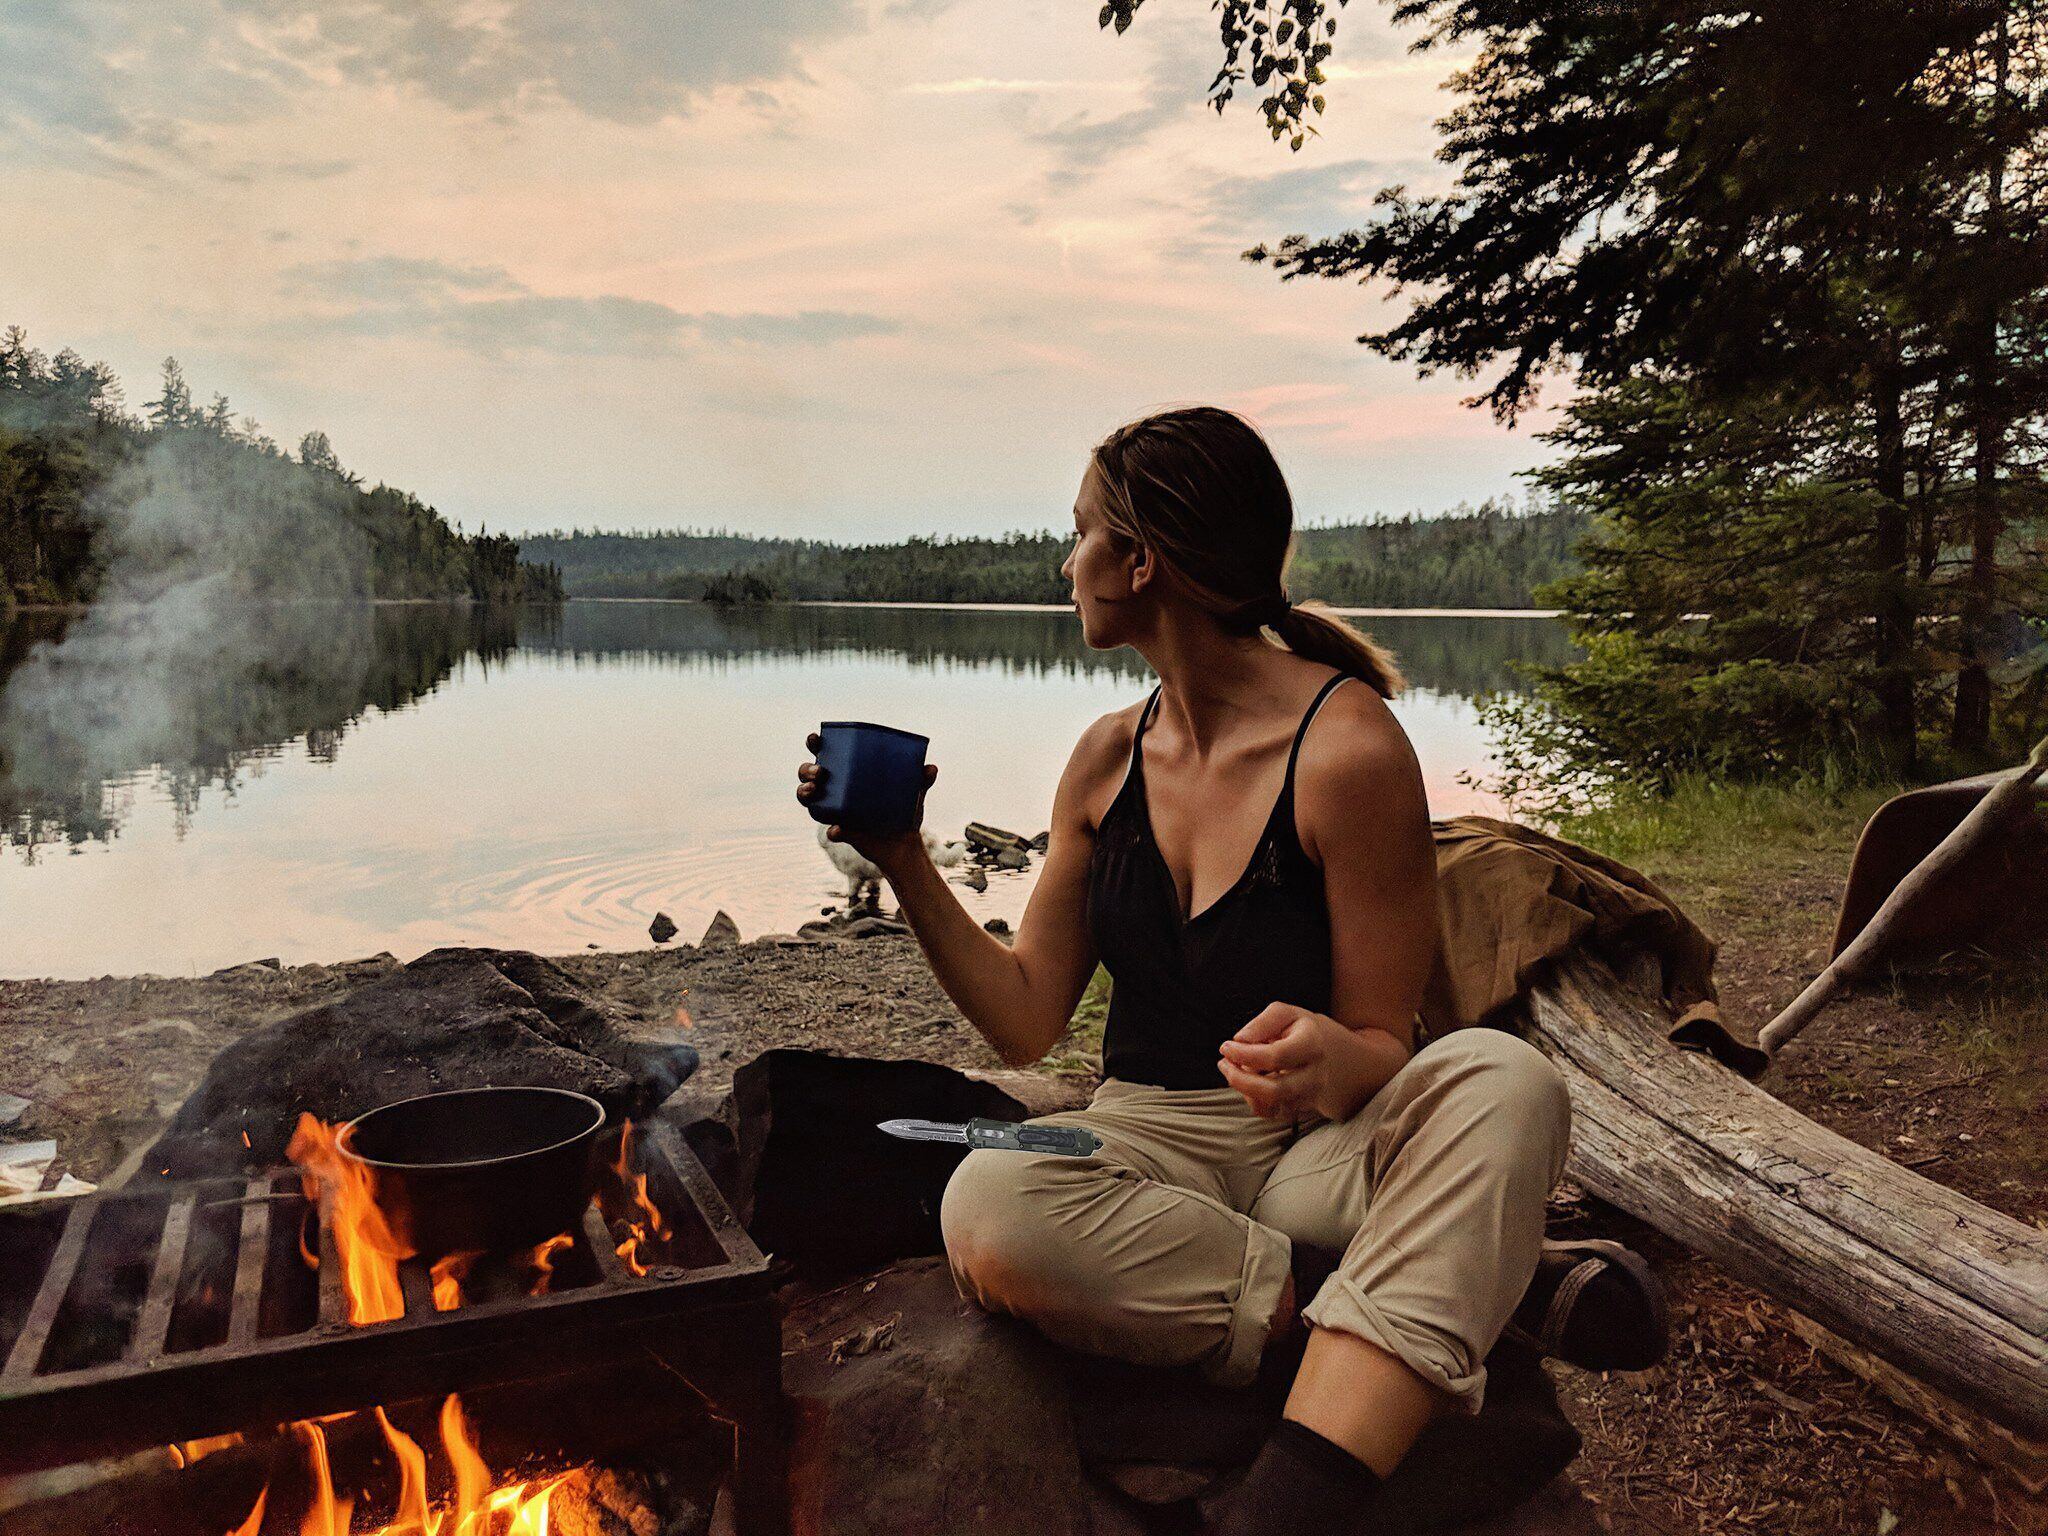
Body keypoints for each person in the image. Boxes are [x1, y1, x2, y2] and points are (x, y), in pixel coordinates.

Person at [796, 406, 1659, 1536]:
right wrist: (903, 860)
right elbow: (1022, 1022)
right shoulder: (1105, 759)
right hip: (1138, 1137)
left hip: (1313, 1152)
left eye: (1079, 537)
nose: (1066, 565)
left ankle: (1280, 1507)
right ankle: (1456, 1288)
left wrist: (1332, 1058)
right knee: (990, 1196)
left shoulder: (1346, 751)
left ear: (1141, 562)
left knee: (1507, 1084)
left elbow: (1380, 1049)